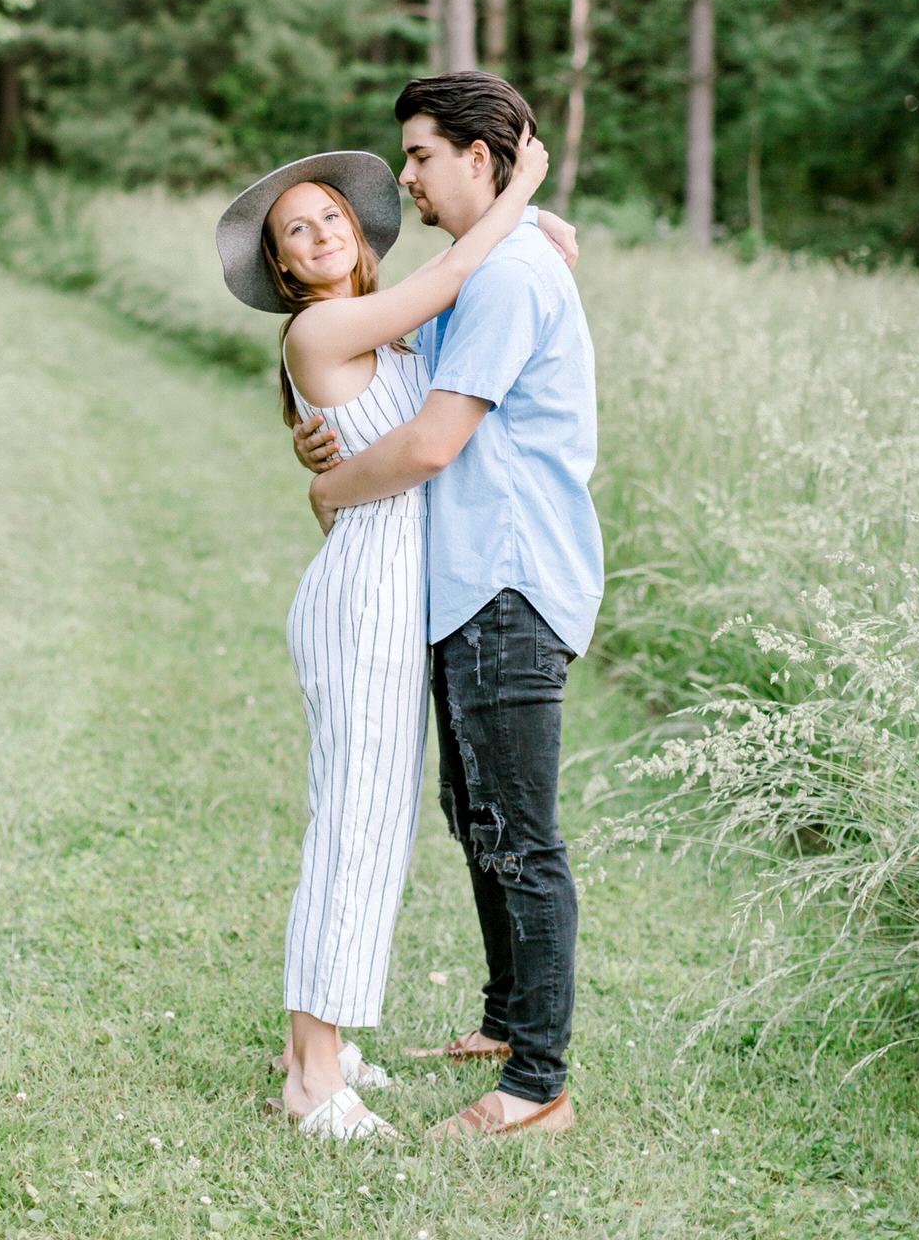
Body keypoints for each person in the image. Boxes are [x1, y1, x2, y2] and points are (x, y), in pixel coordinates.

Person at [214, 133, 571, 1141]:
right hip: (367, 592)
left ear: (357, 234)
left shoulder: (390, 336)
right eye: (297, 231)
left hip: (392, 588)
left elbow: (451, 297)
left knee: (369, 821)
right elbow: (452, 274)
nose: (320, 233)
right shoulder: (321, 327)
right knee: (356, 825)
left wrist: (534, 227)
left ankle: (314, 1048)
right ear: (284, 268)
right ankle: (313, 1078)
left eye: (331, 216)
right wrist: (525, 189)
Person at [295, 71, 604, 1141]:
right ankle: (508, 1026)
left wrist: (329, 488)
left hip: (508, 576)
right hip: (472, 578)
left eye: (422, 154)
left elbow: (432, 442)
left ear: (481, 156)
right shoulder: (488, 264)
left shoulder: (508, 274)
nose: (408, 176)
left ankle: (538, 1086)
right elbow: (396, 375)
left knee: (519, 835)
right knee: (478, 817)